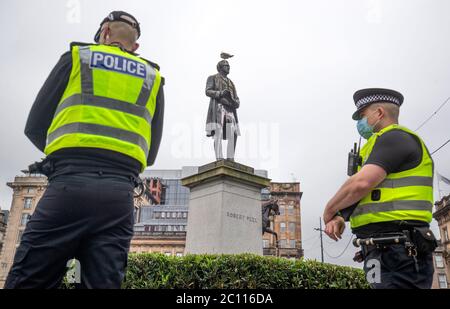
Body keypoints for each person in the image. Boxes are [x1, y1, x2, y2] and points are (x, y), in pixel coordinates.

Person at [5, 11, 164, 289]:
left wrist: (67, 152)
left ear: (104, 33)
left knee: (30, 279)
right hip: (119, 199)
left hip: (68, 186)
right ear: (135, 47)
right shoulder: (153, 78)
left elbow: (34, 125)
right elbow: (149, 153)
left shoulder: (78, 58)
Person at [323, 88, 436, 289]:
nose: (360, 123)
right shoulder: (375, 146)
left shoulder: (396, 138)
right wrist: (342, 216)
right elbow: (369, 193)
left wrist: (330, 210)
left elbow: (361, 184)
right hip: (377, 250)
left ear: (379, 113)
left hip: (401, 251)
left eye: (363, 115)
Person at [205, 59, 241, 161]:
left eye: (228, 65)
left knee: (233, 132)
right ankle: (219, 157)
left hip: (230, 110)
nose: (228, 67)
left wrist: (235, 102)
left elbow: (237, 100)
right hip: (218, 108)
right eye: (226, 65)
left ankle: (230, 157)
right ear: (220, 67)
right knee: (218, 131)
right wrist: (220, 93)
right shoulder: (212, 78)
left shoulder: (231, 83)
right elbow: (207, 91)